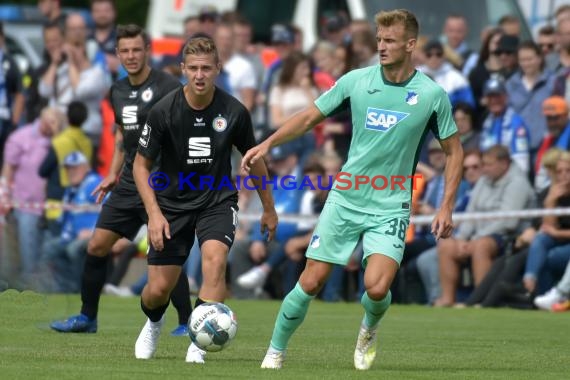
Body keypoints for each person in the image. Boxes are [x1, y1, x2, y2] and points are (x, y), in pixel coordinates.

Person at [241, 9, 464, 370]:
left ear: (410, 44)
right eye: (379, 39)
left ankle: (369, 327)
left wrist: (446, 206)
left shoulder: (431, 95)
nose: (382, 46)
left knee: (376, 289)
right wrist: (268, 143)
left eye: (390, 40)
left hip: (391, 202)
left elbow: (454, 151)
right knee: (311, 281)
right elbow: (310, 116)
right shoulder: (356, 81)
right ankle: (275, 350)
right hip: (346, 196)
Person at [132, 35, 277, 363]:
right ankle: (155, 322)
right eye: (193, 68)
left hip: (217, 201)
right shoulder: (164, 111)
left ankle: (199, 343)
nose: (199, 75)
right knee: (157, 291)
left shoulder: (234, 111)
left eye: (206, 69)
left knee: (214, 263)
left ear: (217, 69)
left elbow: (253, 159)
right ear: (183, 68)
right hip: (170, 204)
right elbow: (141, 166)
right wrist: (154, 214)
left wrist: (269, 208)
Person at [50, 24, 192, 337]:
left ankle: (186, 321)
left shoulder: (169, 86)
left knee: (166, 249)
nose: (130, 56)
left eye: (136, 50)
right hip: (128, 181)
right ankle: (88, 317)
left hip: (161, 183)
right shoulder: (117, 90)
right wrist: (113, 174)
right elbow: (120, 135)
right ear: (117, 54)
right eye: (124, 51)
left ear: (147, 51)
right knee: (97, 244)